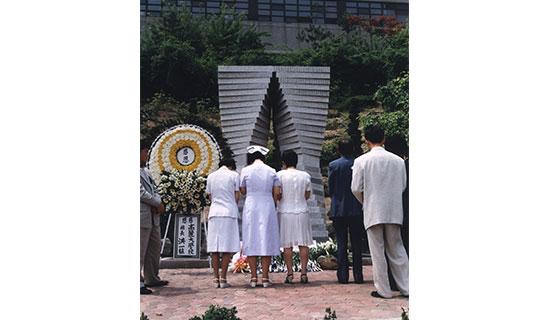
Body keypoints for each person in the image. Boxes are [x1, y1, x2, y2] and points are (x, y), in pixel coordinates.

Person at [351, 126, 409, 299]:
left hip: (373, 209)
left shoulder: (361, 161)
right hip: (393, 208)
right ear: (383, 139)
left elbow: (355, 188)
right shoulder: (398, 161)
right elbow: (403, 185)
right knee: (397, 249)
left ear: (366, 140)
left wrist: (366, 201)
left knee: (377, 252)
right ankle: (407, 287)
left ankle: (384, 290)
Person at [240, 145, 282, 288]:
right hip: (267, 205)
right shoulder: (272, 171)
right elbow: (276, 192)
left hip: (251, 205)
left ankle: (253, 278)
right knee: (266, 239)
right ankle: (265, 277)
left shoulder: (245, 170)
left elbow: (243, 190)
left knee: (251, 238)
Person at [328, 139, 364, 284]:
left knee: (341, 242)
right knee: (357, 243)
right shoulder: (358, 163)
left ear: (339, 149)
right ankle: (358, 275)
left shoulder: (334, 165)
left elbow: (331, 186)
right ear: (353, 148)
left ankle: (342, 275)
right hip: (356, 207)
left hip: (339, 207)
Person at [276, 150, 314, 284]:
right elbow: (307, 195)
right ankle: (304, 273)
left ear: (284, 162)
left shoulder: (279, 175)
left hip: (285, 211)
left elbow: (278, 194)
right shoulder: (305, 175)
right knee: (303, 243)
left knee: (287, 244)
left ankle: (290, 273)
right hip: (302, 211)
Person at [205, 158, 241, 289]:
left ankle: (215, 278)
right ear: (231, 166)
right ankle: (223, 278)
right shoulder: (234, 175)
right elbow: (237, 195)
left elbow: (209, 195)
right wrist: (232, 204)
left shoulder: (211, 176)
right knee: (227, 247)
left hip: (214, 213)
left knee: (214, 247)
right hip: (229, 212)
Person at [140, 141, 169, 294]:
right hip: (142, 215)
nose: (147, 155)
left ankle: (151, 277)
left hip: (152, 216)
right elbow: (140, 193)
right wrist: (157, 202)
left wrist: (159, 201)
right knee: (139, 249)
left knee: (153, 248)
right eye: (145, 152)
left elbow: (155, 188)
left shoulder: (146, 171)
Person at [383, 135, 409, 291]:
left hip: (399, 210)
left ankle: (394, 281)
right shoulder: (403, 164)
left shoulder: (395, 165)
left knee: (395, 247)